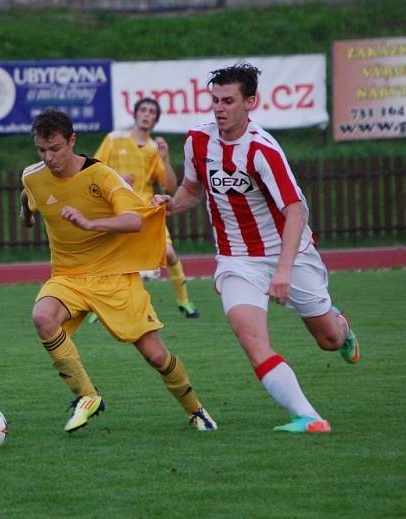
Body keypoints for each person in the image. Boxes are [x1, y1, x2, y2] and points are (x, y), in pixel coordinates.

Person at [153, 63, 360, 434]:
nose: (219, 108)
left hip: (290, 254)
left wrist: (282, 271)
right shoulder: (198, 141)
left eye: (228, 101)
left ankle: (341, 326)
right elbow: (192, 190)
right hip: (237, 259)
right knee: (251, 338)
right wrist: (169, 205)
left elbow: (296, 211)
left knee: (329, 340)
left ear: (250, 102)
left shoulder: (263, 149)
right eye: (214, 100)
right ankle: (309, 417)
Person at [19, 108, 216, 433]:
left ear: (72, 140)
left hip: (115, 279)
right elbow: (30, 196)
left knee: (156, 356)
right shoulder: (33, 176)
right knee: (42, 317)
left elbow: (134, 220)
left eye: (55, 148)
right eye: (42, 150)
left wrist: (89, 222)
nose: (49, 157)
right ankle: (87, 397)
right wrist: (25, 216)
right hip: (68, 277)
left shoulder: (101, 176)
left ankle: (195, 410)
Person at [94, 98, 200, 319]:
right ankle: (96, 308)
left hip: (148, 211)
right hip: (119, 208)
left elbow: (169, 185)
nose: (146, 114)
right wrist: (116, 177)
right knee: (111, 259)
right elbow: (94, 169)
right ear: (135, 114)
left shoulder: (154, 149)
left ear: (156, 119)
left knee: (169, 254)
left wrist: (166, 158)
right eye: (143, 110)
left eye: (151, 112)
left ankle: (184, 301)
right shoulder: (115, 139)